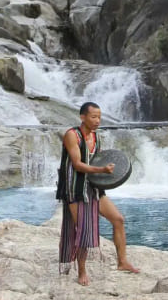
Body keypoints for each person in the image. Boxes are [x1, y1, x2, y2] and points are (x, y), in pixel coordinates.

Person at [56, 102, 139, 286]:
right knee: (83, 230)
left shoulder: (96, 137)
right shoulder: (72, 135)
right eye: (93, 117)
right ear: (83, 117)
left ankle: (122, 262)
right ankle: (82, 271)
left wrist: (107, 173)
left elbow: (100, 159)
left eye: (99, 117)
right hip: (75, 189)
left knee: (118, 219)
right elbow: (77, 164)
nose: (97, 121)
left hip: (93, 187)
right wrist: (101, 169)